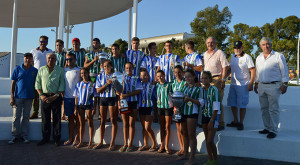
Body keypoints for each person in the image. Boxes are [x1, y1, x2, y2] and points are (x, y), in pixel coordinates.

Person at [254, 37, 289, 139]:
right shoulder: (258, 57)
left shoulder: (278, 56)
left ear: (271, 45)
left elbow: (284, 70)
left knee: (273, 109)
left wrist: (285, 84)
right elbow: (257, 72)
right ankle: (267, 127)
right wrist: (256, 84)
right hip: (261, 86)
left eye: (268, 44)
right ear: (261, 46)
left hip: (274, 86)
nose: (266, 46)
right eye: (264, 44)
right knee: (264, 109)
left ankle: (274, 130)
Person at [35, 53, 65, 146]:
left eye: (52, 58)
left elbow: (62, 85)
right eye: (49, 58)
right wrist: (41, 95)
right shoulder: (41, 70)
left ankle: (56, 139)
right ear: (46, 59)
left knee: (57, 119)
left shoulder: (60, 70)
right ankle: (45, 138)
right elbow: (37, 84)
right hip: (44, 97)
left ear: (55, 60)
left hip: (55, 97)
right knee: (45, 119)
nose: (50, 60)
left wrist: (54, 96)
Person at [9, 53, 38, 144]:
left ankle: (24, 136)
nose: (28, 59)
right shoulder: (17, 69)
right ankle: (14, 136)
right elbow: (13, 84)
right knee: (16, 117)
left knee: (26, 117)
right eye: (26, 58)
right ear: (23, 59)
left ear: (32, 59)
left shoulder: (35, 70)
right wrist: (12, 97)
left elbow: (37, 85)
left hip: (29, 97)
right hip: (18, 97)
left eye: (30, 58)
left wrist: (36, 98)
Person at [226, 41, 255, 130]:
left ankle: (241, 123)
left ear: (242, 48)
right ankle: (235, 121)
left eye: (239, 47)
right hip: (233, 84)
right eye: (235, 48)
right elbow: (230, 69)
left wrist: (251, 83)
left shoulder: (247, 57)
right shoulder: (232, 57)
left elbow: (253, 70)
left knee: (242, 105)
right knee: (232, 104)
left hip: (243, 85)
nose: (237, 49)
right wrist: (224, 78)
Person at [203, 37, 230, 131]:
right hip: (206, 80)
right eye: (208, 42)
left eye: (212, 42)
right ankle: (208, 121)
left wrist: (223, 80)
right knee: (207, 101)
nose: (210, 44)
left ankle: (220, 123)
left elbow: (225, 67)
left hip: (217, 79)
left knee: (217, 102)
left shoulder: (220, 53)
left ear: (215, 43)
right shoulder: (205, 54)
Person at [178, 69, 203, 165]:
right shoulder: (184, 88)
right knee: (184, 134)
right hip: (184, 112)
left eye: (189, 76)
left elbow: (200, 103)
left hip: (192, 113)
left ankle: (192, 158)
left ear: (194, 77)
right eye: (186, 77)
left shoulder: (198, 89)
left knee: (191, 135)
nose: (187, 78)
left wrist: (190, 99)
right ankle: (185, 154)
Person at [94, 60, 118, 151]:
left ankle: (112, 142)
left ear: (111, 67)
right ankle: (100, 141)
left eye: (108, 66)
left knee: (113, 120)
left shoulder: (115, 76)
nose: (106, 68)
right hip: (103, 99)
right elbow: (98, 90)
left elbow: (119, 89)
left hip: (112, 99)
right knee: (102, 120)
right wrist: (106, 84)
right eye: (104, 66)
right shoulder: (100, 76)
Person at [119, 62, 142, 152]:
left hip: (133, 102)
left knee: (131, 123)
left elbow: (138, 91)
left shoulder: (136, 78)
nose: (128, 69)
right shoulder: (121, 78)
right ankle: (125, 143)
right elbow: (117, 90)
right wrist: (120, 94)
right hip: (124, 102)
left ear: (133, 68)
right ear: (125, 69)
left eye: (130, 68)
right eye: (127, 68)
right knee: (125, 124)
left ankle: (130, 144)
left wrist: (127, 94)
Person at [30, 35, 53, 119]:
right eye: (41, 41)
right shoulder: (33, 51)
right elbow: (31, 63)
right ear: (39, 42)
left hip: (46, 76)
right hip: (36, 76)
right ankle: (35, 112)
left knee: (46, 95)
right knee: (36, 95)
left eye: (44, 42)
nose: (42, 43)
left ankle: (46, 113)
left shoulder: (50, 51)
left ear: (47, 43)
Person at [201, 71, 221, 165]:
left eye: (206, 78)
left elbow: (216, 106)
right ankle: (210, 159)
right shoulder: (201, 90)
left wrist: (212, 120)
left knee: (210, 140)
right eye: (202, 78)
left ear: (210, 79)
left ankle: (215, 160)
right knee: (207, 139)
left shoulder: (214, 90)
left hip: (214, 116)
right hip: (204, 115)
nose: (204, 80)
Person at [73, 68, 95, 148]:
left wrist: (94, 108)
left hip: (89, 105)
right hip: (80, 106)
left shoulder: (91, 84)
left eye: (85, 73)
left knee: (90, 123)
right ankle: (81, 141)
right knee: (81, 124)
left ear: (88, 73)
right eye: (82, 73)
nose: (83, 75)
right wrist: (75, 108)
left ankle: (90, 142)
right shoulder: (78, 84)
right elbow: (76, 97)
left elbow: (94, 97)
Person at [63, 52, 81, 146]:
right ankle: (70, 138)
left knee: (78, 120)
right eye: (67, 59)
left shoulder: (79, 70)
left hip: (76, 99)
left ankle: (77, 138)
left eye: (71, 59)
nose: (68, 61)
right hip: (66, 98)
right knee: (70, 120)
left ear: (75, 60)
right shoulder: (64, 70)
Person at [138, 69, 158, 152]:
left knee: (147, 127)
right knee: (144, 128)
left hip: (149, 108)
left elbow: (156, 98)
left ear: (148, 76)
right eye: (142, 75)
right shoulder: (138, 86)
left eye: (145, 75)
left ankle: (155, 144)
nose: (143, 77)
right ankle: (145, 144)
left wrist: (156, 112)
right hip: (141, 107)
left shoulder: (152, 86)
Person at [156, 70, 173, 154]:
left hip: (168, 107)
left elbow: (173, 95)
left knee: (167, 126)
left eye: (161, 76)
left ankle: (166, 145)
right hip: (160, 107)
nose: (160, 78)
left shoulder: (169, 85)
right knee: (162, 127)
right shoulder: (157, 85)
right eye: (158, 76)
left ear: (164, 75)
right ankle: (162, 144)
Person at [84, 38, 102, 120]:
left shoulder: (103, 54)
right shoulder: (88, 54)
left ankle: (99, 113)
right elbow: (85, 66)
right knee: (90, 95)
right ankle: (89, 114)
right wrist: (94, 60)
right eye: (94, 43)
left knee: (99, 97)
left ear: (99, 44)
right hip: (91, 77)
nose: (95, 44)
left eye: (97, 43)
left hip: (100, 77)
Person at [171, 65, 186, 156]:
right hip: (176, 109)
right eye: (175, 72)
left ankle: (185, 148)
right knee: (178, 129)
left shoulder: (185, 83)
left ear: (182, 72)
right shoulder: (173, 83)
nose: (177, 74)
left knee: (183, 129)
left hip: (184, 108)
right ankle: (181, 147)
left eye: (179, 72)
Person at [54, 39, 67, 121]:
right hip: (55, 78)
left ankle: (63, 114)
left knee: (63, 96)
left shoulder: (65, 55)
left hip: (63, 77)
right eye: (57, 45)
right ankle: (55, 114)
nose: (58, 47)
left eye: (60, 45)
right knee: (55, 96)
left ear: (63, 46)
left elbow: (66, 65)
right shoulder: (53, 55)